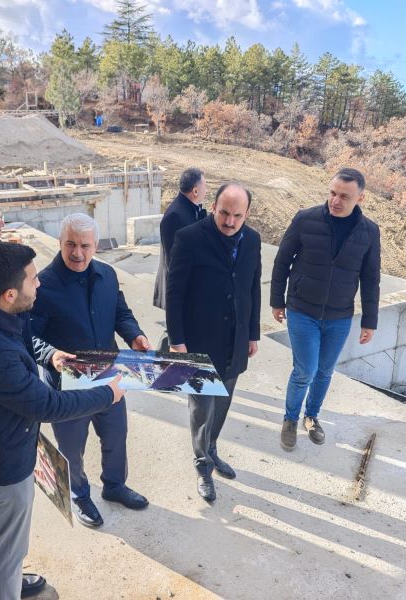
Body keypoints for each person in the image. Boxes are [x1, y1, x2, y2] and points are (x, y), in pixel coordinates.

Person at [0, 241, 125, 600]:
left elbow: (24, 339)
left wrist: (49, 353)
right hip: (0, 462)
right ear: (10, 294)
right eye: (32, 279)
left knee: (3, 536)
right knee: (10, 544)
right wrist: (108, 394)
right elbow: (47, 405)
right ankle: (3, 589)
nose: (39, 283)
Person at [31, 213, 152, 527]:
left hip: (108, 374)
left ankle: (114, 486)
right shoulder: (42, 285)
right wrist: (50, 354)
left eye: (85, 246)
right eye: (70, 244)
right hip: (67, 384)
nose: (77, 253)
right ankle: (79, 494)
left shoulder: (107, 275)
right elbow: (27, 336)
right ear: (60, 242)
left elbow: (121, 313)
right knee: (72, 447)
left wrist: (135, 335)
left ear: (96, 245)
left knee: (116, 435)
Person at [269, 167, 380, 450]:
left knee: (325, 371)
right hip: (302, 310)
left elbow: (370, 278)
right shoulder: (305, 219)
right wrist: (276, 300)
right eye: (332, 193)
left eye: (344, 196)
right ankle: (290, 419)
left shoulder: (369, 232)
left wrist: (370, 321)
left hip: (339, 316)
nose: (335, 200)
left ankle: (312, 416)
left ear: (360, 198)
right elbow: (282, 261)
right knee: (305, 369)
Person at [165, 182, 261, 502]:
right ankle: (202, 463)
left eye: (237, 216)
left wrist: (252, 333)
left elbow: (252, 288)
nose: (229, 222)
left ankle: (212, 448)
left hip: (235, 341)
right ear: (214, 207)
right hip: (199, 342)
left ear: (247, 214)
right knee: (202, 408)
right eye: (224, 213)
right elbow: (174, 294)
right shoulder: (189, 238)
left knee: (222, 403)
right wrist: (177, 340)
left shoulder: (253, 240)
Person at [153, 167, 208, 312]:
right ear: (195, 191)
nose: (207, 190)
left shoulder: (190, 208)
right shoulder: (175, 216)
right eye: (205, 186)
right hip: (180, 292)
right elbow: (174, 260)